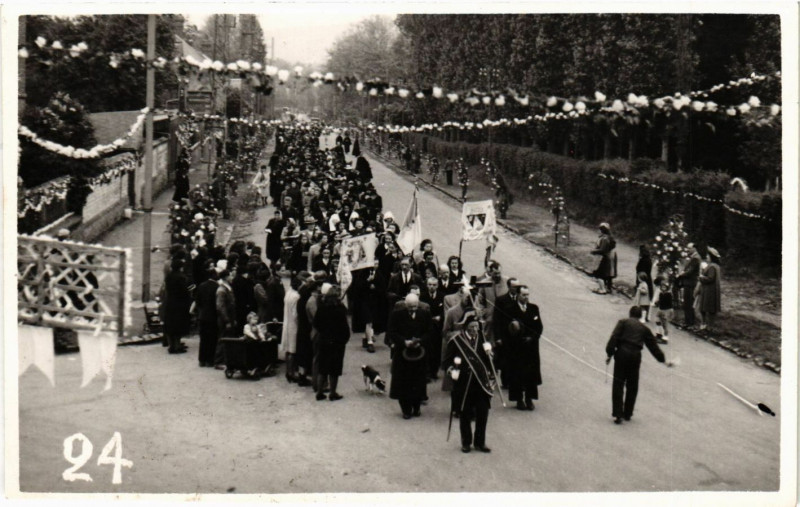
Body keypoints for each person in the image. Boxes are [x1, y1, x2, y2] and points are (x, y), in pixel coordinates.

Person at [605, 306, 668, 424]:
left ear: (630, 314)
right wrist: (662, 359)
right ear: (640, 316)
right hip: (635, 355)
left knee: (618, 383)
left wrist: (610, 353)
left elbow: (614, 338)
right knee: (632, 385)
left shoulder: (623, 322)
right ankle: (628, 413)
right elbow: (653, 346)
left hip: (622, 353)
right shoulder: (644, 329)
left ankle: (618, 414)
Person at [443, 315, 495, 453]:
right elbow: (446, 362)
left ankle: (480, 442)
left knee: (482, 413)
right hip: (464, 384)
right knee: (465, 414)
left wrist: (490, 356)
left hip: (480, 384)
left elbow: (488, 363)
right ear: (465, 327)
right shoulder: (457, 341)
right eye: (471, 327)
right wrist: (452, 371)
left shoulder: (482, 340)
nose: (474, 330)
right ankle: (466, 442)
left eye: (476, 327)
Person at [388, 293, 432, 419]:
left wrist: (420, 341)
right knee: (403, 382)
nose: (413, 309)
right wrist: (404, 342)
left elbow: (429, 332)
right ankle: (406, 409)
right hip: (403, 354)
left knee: (418, 381)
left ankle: (417, 407)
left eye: (415, 306)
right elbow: (392, 332)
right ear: (405, 305)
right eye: (410, 307)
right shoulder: (397, 315)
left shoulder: (424, 314)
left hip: (419, 353)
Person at [506, 286, 543, 411]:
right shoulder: (510, 309)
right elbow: (507, 329)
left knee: (530, 374)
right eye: (523, 295)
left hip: (531, 348)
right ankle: (519, 399)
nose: (526, 297)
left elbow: (539, 328)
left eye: (527, 295)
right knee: (517, 373)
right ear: (517, 295)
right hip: (516, 348)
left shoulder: (533, 308)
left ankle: (529, 398)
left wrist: (532, 338)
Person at [313, 286, 351, 401]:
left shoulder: (322, 307)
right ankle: (333, 392)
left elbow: (316, 323)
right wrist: (344, 339)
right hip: (337, 342)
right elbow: (345, 328)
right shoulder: (339, 309)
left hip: (324, 340)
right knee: (335, 369)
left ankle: (319, 392)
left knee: (323, 367)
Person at [163, 258, 192, 354]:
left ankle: (172, 346)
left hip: (170, 302)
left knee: (171, 325)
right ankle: (177, 345)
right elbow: (184, 291)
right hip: (179, 304)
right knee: (178, 326)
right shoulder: (181, 277)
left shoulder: (169, 277)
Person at [194, 268, 219, 367]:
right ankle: (210, 360)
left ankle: (202, 359)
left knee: (203, 338)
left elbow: (197, 301)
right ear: (213, 275)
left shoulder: (201, 285)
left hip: (203, 315)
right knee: (212, 338)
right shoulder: (216, 287)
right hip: (212, 316)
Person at [421, 276, 445, 380]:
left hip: (437, 327)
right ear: (427, 285)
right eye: (430, 285)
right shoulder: (423, 296)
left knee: (436, 349)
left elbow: (444, 311)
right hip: (426, 326)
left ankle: (434, 371)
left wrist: (440, 317)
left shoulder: (442, 296)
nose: (432, 287)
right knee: (427, 349)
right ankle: (427, 372)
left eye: (434, 285)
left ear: (437, 286)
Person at [281, 275, 302, 383]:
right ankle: (291, 372)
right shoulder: (296, 296)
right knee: (293, 350)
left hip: (287, 323)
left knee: (288, 349)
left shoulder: (288, 293)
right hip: (293, 325)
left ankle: (288, 371)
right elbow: (295, 314)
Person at [214, 268, 237, 369]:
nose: (232, 277)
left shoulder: (227, 288)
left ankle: (226, 359)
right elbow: (220, 307)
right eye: (231, 275)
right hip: (224, 319)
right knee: (223, 338)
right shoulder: (221, 290)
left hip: (230, 317)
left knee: (228, 338)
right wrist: (227, 320)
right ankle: (218, 361)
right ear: (226, 277)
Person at [676, 243, 702, 327]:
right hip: (689, 282)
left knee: (688, 302)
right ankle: (688, 321)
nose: (688, 250)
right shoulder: (694, 257)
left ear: (694, 248)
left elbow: (690, 271)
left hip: (690, 283)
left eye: (689, 248)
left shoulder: (695, 258)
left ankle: (689, 322)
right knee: (687, 302)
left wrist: (681, 274)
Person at [697, 247, 722, 331]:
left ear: (711, 257)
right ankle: (709, 326)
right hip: (713, 290)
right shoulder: (716, 266)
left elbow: (710, 278)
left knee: (705, 308)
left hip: (709, 290)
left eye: (708, 255)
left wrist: (701, 277)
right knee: (710, 309)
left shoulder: (712, 266)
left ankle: (706, 325)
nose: (707, 257)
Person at [590, 222, 617, 294]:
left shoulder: (605, 238)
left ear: (602, 230)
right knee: (607, 272)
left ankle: (604, 288)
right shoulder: (607, 237)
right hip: (607, 255)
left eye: (600, 229)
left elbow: (603, 249)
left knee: (602, 272)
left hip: (605, 256)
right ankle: (605, 287)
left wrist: (594, 251)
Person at [651, 279, 673, 344]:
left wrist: (668, 313)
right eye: (662, 287)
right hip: (661, 309)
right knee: (657, 321)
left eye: (665, 287)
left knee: (664, 324)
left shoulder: (668, 294)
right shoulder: (661, 293)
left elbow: (669, 304)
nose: (663, 288)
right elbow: (660, 301)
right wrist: (657, 302)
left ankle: (665, 338)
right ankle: (659, 334)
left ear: (667, 288)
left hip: (666, 310)